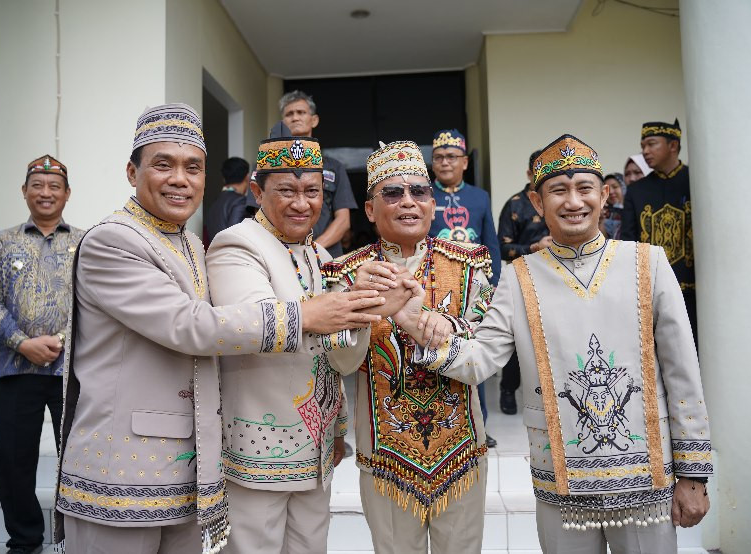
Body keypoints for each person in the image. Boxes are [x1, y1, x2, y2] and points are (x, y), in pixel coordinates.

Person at [54, 104, 385, 554]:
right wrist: (306, 315)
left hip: (190, 468)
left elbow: (326, 356)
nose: (180, 179)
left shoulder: (189, 242)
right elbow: (189, 325)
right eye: (162, 165)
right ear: (132, 172)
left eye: (193, 167)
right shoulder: (114, 240)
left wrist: (360, 308)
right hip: (122, 468)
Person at [395, 134, 712, 554]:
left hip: (646, 480)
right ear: (537, 202)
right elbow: (479, 361)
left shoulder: (647, 263)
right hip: (559, 482)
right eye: (558, 190)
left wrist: (694, 475)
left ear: (604, 194)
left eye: (585, 188)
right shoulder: (520, 276)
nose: (573, 201)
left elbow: (682, 372)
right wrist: (412, 319)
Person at [205, 124, 411, 554]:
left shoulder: (319, 254)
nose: (303, 203)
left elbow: (338, 357)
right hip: (259, 451)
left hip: (315, 451)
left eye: (313, 191)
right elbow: (252, 328)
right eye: (287, 191)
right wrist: (337, 308)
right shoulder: (238, 245)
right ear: (258, 194)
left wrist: (372, 310)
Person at [324, 140, 495, 554]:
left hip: (460, 452)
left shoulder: (471, 263)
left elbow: (484, 350)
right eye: (393, 192)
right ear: (369, 209)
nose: (408, 202)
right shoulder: (347, 273)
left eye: (419, 192)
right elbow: (342, 361)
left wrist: (418, 321)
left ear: (433, 205)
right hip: (385, 459)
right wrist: (362, 308)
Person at [0, 155, 83, 554]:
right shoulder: (2, 243)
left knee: (74, 461)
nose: (45, 192)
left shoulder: (84, 241)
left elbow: (93, 302)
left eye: (54, 186)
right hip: (12, 371)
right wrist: (23, 343)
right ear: (24, 191)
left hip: (70, 372)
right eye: (37, 185)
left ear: (67, 194)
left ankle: (75, 539)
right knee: (14, 462)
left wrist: (58, 339)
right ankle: (24, 543)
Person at [428, 128, 500, 447]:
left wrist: (493, 285)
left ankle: (479, 422)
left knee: (474, 352)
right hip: (436, 288)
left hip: (475, 289)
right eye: (439, 158)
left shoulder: (480, 197)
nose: (445, 163)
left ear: (465, 162)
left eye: (451, 157)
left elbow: (491, 244)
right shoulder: (423, 194)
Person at [621, 120, 696, 342]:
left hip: (693, 291)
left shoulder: (694, 181)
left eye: (652, 144)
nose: (645, 151)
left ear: (673, 146)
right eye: (643, 145)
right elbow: (629, 240)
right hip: (651, 291)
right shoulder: (636, 190)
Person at [263, 90, 357, 257]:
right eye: (289, 114)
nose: (295, 117)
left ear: (314, 120)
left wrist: (312, 249)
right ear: (283, 122)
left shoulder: (334, 167)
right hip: (280, 256)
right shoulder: (269, 163)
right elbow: (259, 214)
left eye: (301, 112)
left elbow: (343, 220)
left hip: (327, 257)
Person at [496, 149, 550, 415]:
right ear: (529, 173)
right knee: (520, 341)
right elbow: (502, 249)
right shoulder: (515, 204)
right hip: (525, 280)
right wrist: (533, 247)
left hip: (558, 281)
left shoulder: (559, 199)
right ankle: (508, 389)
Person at [204, 156, 250, 244]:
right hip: (233, 256)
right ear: (247, 177)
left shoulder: (215, 203)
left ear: (224, 178)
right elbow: (236, 238)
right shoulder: (241, 202)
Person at [602, 173, 626, 239]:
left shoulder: (633, 210)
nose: (611, 192)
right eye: (607, 189)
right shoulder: (603, 213)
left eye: (615, 187)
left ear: (623, 187)